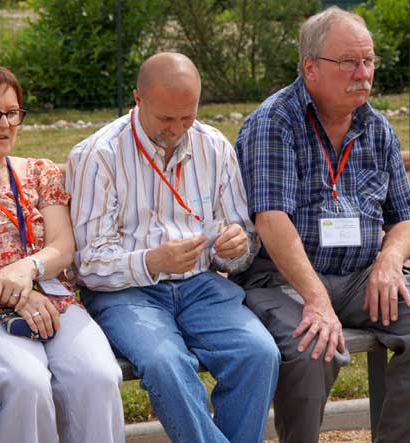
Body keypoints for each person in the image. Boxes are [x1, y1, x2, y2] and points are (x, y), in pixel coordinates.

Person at [234, 7, 410, 443]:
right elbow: (271, 220)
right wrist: (316, 298)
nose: (363, 73)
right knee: (313, 345)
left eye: (368, 60)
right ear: (310, 68)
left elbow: (408, 219)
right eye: (348, 62)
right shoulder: (275, 122)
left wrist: (389, 259)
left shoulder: (376, 128)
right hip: (283, 278)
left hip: (360, 276)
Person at [66, 52, 280, 443]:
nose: (177, 129)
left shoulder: (213, 146)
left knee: (259, 354)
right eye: (166, 118)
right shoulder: (98, 155)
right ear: (137, 99)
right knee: (165, 363)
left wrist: (235, 247)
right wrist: (151, 261)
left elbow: (243, 239)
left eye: (187, 118)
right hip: (127, 293)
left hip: (201, 287)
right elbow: (88, 264)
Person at [0, 56, 124, 443]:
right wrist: (16, 294)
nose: (3, 123)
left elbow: (62, 246)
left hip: (53, 299)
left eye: (12, 112)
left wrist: (28, 270)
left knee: (99, 377)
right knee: (25, 382)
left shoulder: (40, 172)